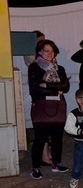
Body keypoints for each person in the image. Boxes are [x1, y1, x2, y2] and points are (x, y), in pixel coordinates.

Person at [28, 40, 70, 179]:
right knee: (40, 138)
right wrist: (56, 90)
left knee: (58, 137)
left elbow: (66, 87)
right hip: (41, 106)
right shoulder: (34, 67)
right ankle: (36, 167)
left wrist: (47, 86)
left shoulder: (60, 68)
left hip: (58, 106)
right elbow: (34, 89)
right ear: (40, 52)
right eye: (46, 50)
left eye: (52, 51)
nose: (49, 53)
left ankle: (57, 163)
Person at [24, 30, 53, 166]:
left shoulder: (48, 59)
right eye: (41, 40)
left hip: (49, 96)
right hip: (40, 96)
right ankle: (42, 157)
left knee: (48, 128)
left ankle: (46, 154)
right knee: (41, 129)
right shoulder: (33, 57)